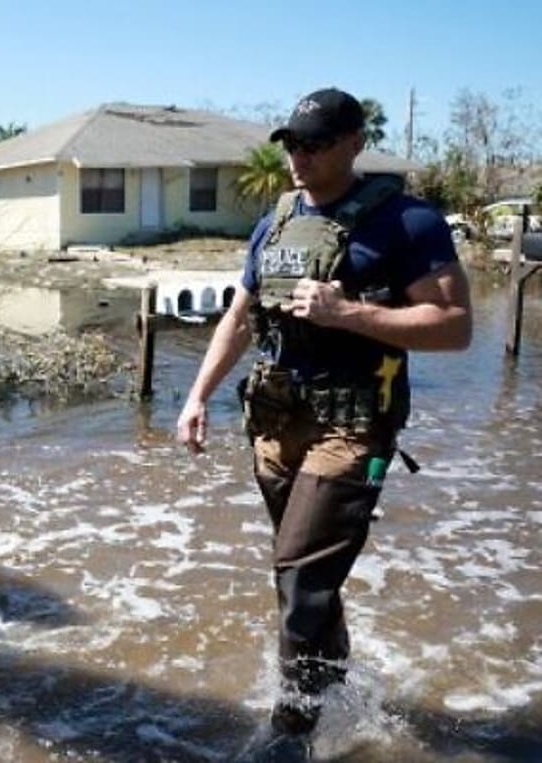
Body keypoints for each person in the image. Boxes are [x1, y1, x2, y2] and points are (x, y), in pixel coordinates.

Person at [175, 88, 472, 735]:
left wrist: (351, 313)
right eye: (292, 144)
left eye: (316, 144)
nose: (299, 157)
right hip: (278, 425)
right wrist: (197, 396)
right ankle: (341, 698)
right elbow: (239, 317)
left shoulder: (407, 222)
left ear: (354, 143)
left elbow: (454, 326)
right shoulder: (275, 220)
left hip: (355, 424)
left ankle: (292, 731)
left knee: (302, 576)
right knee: (301, 575)